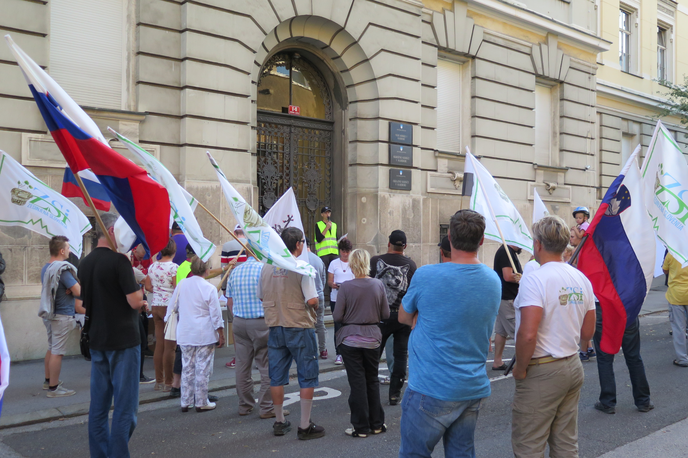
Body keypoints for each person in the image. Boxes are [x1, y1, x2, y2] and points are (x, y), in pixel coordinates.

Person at [398, 210, 501, 458]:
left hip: (431, 387)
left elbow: (403, 316)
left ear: (449, 238)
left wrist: (422, 316)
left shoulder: (426, 274)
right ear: (482, 240)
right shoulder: (493, 280)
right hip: (470, 386)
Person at [511, 216, 596, 458]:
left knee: (529, 445)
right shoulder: (581, 278)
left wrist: (520, 370)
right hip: (571, 364)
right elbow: (587, 334)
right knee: (566, 443)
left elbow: (528, 335)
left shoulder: (535, 279)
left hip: (543, 368)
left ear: (538, 244)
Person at [78, 213, 148, 458]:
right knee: (126, 408)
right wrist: (140, 292)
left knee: (98, 406)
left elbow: (82, 303)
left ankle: (101, 454)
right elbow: (134, 301)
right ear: (111, 230)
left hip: (97, 339)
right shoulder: (119, 262)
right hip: (124, 341)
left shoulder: (84, 263)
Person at [258, 227, 324, 440]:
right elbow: (312, 300)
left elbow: (261, 296)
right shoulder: (301, 267)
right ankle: (304, 425)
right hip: (299, 326)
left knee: (275, 376)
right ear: (298, 244)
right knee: (307, 374)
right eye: (303, 242)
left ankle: (279, 421)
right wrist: (314, 307)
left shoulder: (267, 267)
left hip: (275, 325)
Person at [334, 248, 390, 437]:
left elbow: (337, 316)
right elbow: (385, 314)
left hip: (350, 339)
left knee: (357, 382)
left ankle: (361, 427)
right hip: (373, 338)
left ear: (351, 264)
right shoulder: (378, 285)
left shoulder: (346, 287)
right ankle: (377, 423)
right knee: (372, 380)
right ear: (368, 264)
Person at [227, 255, 286, 418]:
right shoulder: (264, 270)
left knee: (242, 365)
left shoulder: (236, 271)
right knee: (267, 365)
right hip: (261, 322)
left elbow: (229, 301)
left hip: (239, 322)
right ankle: (267, 407)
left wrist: (236, 317)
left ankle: (244, 405)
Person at [166, 257, 225, 412]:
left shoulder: (182, 284)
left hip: (185, 332)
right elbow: (216, 315)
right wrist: (221, 333)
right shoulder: (209, 288)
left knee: (187, 367)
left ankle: (185, 401)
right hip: (204, 333)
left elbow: (173, 306)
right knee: (202, 368)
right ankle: (201, 401)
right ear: (207, 270)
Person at [370, 230, 416, 405]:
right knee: (400, 356)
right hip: (402, 317)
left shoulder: (375, 261)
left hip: (379, 317)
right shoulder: (411, 265)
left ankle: (371, 391)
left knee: (374, 354)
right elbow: (412, 292)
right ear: (404, 246)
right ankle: (394, 394)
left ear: (388, 244)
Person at [40, 236, 85, 397]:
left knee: (52, 348)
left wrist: (68, 289)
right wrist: (73, 288)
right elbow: (79, 291)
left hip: (50, 313)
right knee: (57, 352)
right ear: (61, 251)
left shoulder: (46, 267)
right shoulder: (62, 269)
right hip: (62, 314)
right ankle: (54, 388)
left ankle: (48, 381)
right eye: (67, 247)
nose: (69, 250)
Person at [592, 298, 653, 414]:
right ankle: (643, 401)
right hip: (626, 305)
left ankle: (607, 401)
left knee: (604, 358)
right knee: (633, 357)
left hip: (602, 306)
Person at [145, 238, 178, 392]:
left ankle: (159, 381)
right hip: (169, 307)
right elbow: (177, 287)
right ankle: (169, 382)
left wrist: (158, 291)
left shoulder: (152, 267)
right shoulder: (174, 268)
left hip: (156, 306)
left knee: (159, 344)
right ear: (173, 251)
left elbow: (147, 286)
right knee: (170, 346)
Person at [221, 225, 249, 369]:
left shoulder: (227, 246)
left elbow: (224, 269)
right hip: (250, 287)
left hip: (234, 287)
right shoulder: (251, 245)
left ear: (234, 233)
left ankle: (238, 356)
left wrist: (224, 289)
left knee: (236, 323)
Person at [491, 244, 522, 371]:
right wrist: (522, 278)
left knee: (501, 331)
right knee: (519, 332)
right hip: (507, 298)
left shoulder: (507, 251)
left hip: (504, 296)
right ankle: (526, 363)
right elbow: (508, 276)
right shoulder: (505, 252)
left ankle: (497, 361)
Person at [328, 238, 355, 365]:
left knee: (349, 325)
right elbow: (329, 281)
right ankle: (339, 353)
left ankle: (349, 351)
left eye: (347, 251)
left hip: (350, 297)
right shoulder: (334, 263)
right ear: (340, 251)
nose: (345, 254)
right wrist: (333, 285)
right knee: (338, 326)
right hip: (336, 297)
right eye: (343, 251)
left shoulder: (354, 263)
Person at [663, 253, 688, 367]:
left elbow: (665, 270)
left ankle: (682, 358)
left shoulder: (672, 253)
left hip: (676, 295)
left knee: (679, 329)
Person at [306, 239, 328, 359]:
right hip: (319, 294)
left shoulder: (301, 260)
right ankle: (323, 349)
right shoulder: (318, 259)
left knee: (307, 324)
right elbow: (323, 278)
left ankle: (310, 349)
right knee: (320, 323)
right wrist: (320, 289)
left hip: (307, 296)